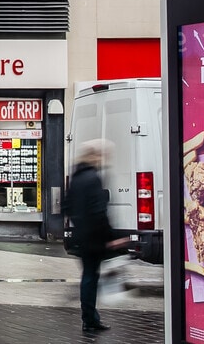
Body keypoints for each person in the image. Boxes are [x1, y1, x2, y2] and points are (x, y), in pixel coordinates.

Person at [65, 141, 122, 335]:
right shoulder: (93, 178)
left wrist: (79, 224)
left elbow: (67, 206)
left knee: (88, 276)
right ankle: (89, 319)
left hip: (81, 235)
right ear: (96, 157)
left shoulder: (76, 178)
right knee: (91, 277)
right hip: (94, 238)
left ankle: (89, 317)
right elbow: (99, 211)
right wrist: (110, 236)